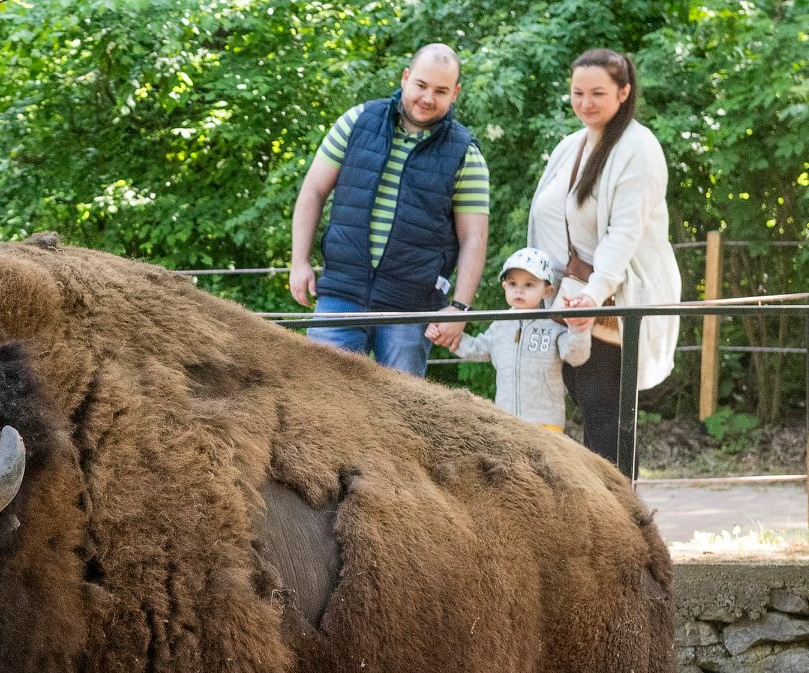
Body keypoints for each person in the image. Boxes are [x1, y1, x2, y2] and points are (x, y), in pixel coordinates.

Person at [289, 44, 491, 377]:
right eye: (422, 86)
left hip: (411, 309)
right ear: (406, 77)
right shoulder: (357, 121)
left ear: (454, 93)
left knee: (403, 417)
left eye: (441, 91)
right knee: (320, 406)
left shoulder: (465, 153)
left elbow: (474, 238)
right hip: (341, 293)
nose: (428, 98)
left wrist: (459, 309)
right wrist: (299, 262)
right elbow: (313, 191)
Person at [527, 48, 681, 464]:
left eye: (597, 93)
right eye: (578, 93)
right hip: (565, 300)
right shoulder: (570, 146)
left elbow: (623, 233)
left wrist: (594, 295)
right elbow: (544, 219)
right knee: (585, 416)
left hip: (610, 305)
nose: (585, 103)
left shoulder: (638, 147)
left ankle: (624, 521)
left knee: (606, 422)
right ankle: (602, 517)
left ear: (624, 92)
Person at [430, 247, 591, 431]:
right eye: (513, 284)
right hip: (506, 422)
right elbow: (476, 349)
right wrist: (446, 336)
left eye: (529, 285)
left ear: (547, 291)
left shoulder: (554, 326)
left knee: (543, 461)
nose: (519, 291)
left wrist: (578, 328)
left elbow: (577, 356)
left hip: (546, 423)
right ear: (504, 286)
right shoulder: (500, 325)